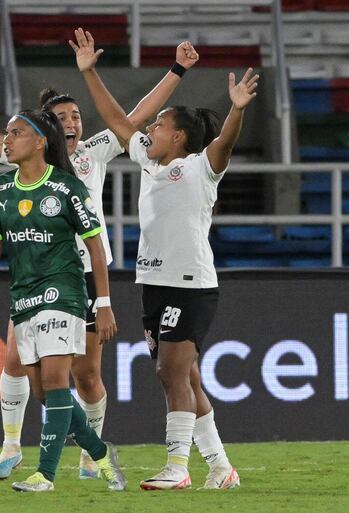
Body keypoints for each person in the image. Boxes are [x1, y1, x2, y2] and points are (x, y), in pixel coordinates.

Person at [0, 43, 198, 481]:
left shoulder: (92, 153)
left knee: (86, 378)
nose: (74, 123)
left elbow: (135, 116)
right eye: (63, 119)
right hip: (35, 272)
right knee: (15, 362)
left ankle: (89, 451)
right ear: (45, 129)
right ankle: (9, 448)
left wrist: (177, 69)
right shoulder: (24, 159)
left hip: (82, 275)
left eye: (77, 116)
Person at [69, 27, 256, 490]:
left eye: (158, 126)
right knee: (186, 376)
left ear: (179, 137)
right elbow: (118, 120)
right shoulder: (151, 163)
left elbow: (225, 145)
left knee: (169, 371)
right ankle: (219, 466)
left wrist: (236, 109)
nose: (149, 130)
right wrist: (90, 74)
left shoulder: (200, 168)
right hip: (152, 283)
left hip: (189, 283)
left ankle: (177, 467)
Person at [0, 108, 125, 492]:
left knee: (58, 380)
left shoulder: (68, 187)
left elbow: (94, 243)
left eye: (17, 133)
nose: (7, 139)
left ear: (40, 141)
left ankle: (45, 474)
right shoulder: (2, 189)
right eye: (6, 133)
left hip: (65, 290)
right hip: (23, 295)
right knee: (42, 392)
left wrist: (102, 302)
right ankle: (102, 453)